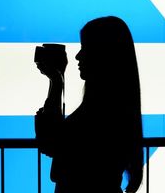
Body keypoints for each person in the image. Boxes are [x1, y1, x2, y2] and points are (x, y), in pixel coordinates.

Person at [34, 16, 144, 193]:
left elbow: (52, 142)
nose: (78, 56)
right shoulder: (117, 106)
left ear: (103, 55)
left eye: (85, 48)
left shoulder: (101, 111)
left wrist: (56, 81)